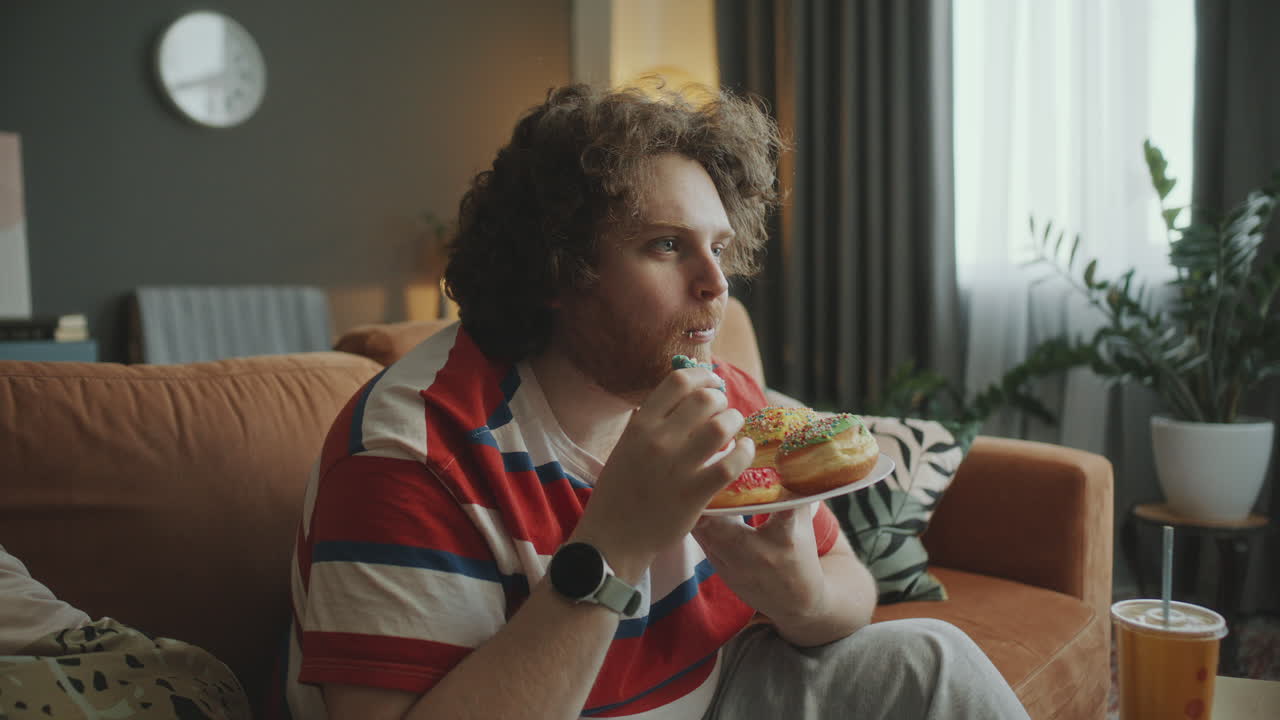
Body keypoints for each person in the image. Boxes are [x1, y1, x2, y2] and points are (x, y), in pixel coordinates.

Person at [280, 84, 1030, 720]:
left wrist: (799, 595)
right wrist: (614, 543)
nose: (716, 283)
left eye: (718, 246)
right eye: (667, 245)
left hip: (723, 690)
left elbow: (849, 585)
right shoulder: (413, 453)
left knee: (935, 660)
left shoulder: (715, 390)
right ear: (558, 269)